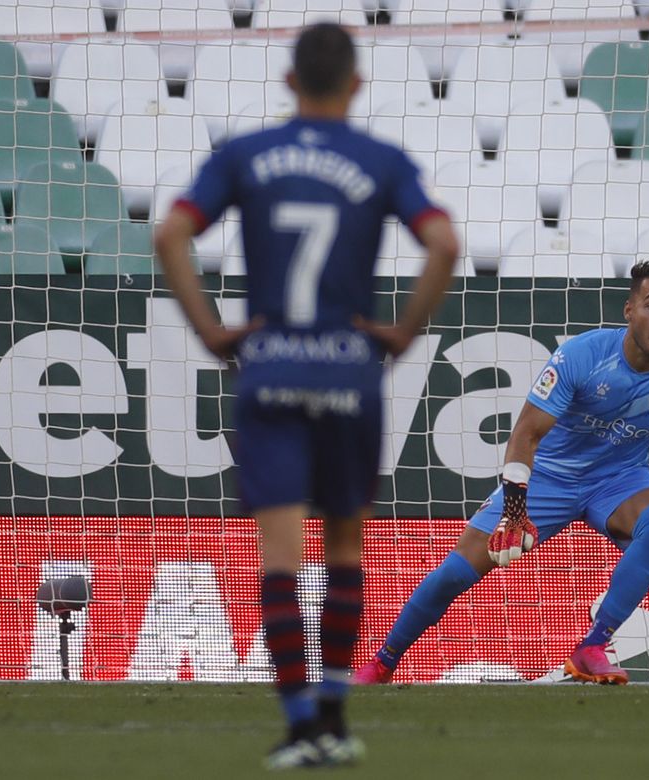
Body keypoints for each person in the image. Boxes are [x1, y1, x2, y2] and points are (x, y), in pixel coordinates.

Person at [153, 22, 460, 770]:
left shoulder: (245, 155)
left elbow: (171, 234)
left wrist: (213, 334)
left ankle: (296, 727)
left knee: (280, 559)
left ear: (289, 83)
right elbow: (445, 243)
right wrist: (401, 334)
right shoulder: (381, 160)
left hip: (270, 373)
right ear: (356, 85)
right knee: (346, 549)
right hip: (349, 375)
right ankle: (333, 716)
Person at [355, 259, 649, 686]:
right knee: (455, 572)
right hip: (548, 478)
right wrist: (515, 508)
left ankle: (592, 647)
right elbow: (526, 431)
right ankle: (382, 663)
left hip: (618, 480)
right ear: (629, 310)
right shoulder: (582, 355)